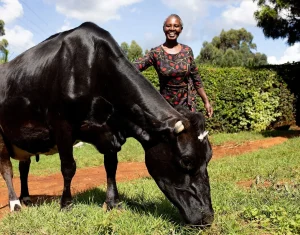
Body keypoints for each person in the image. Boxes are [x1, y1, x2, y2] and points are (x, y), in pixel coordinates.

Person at [134, 14, 213, 117]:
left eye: (176, 26)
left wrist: (206, 102)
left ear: (181, 29)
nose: (172, 29)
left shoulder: (187, 51)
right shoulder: (156, 53)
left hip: (187, 106)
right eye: (168, 26)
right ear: (163, 28)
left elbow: (196, 78)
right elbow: (134, 67)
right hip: (166, 108)